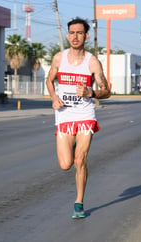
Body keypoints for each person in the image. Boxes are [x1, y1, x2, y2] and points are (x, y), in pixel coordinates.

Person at [46, 17, 111, 219]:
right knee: (66, 165)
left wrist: (90, 92)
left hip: (85, 115)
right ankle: (73, 150)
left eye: (79, 33)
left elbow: (106, 91)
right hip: (64, 115)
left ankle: (79, 203)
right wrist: (54, 98)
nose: (75, 37)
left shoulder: (92, 62)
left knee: (80, 159)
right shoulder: (59, 58)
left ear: (86, 36)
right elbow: (49, 80)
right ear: (68, 35)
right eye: (72, 33)